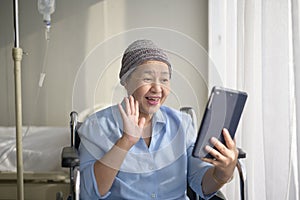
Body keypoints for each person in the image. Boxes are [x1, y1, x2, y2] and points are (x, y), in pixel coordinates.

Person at [78, 39, 238, 199]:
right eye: (147, 79)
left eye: (164, 80)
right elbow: (89, 193)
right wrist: (125, 142)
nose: (157, 88)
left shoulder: (182, 124)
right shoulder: (96, 126)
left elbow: (201, 182)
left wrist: (222, 174)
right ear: (126, 81)